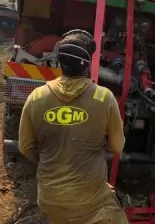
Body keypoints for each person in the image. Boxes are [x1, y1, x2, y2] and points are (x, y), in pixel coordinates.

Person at [18, 30, 128, 224]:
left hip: (49, 200)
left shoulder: (36, 97)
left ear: (60, 62)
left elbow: (25, 147)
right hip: (90, 201)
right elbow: (117, 147)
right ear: (87, 65)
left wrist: (49, 158)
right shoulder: (104, 98)